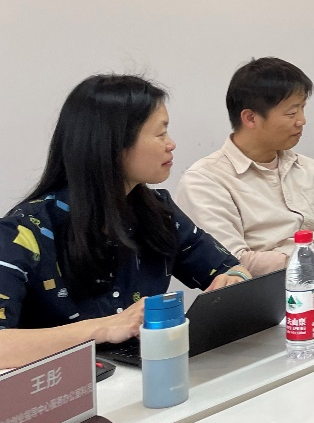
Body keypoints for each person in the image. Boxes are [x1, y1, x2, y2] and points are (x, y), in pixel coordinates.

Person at [0, 75, 247, 369]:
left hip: (149, 374)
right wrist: (105, 327)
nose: (171, 144)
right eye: (160, 134)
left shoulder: (158, 211)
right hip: (67, 387)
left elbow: (230, 268)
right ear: (114, 144)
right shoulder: (25, 230)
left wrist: (235, 280)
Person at [177, 58, 314, 274]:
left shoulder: (310, 169)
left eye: (303, 108)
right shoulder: (205, 180)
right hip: (281, 289)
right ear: (250, 118)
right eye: (291, 113)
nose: (302, 120)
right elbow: (233, 263)